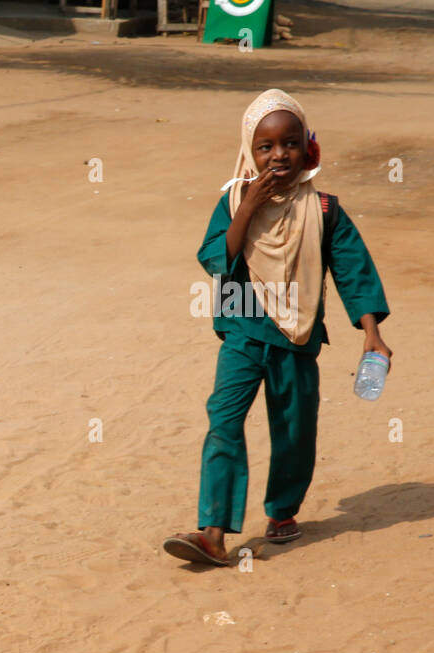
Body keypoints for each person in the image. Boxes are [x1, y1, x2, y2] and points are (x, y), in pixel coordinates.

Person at [164, 89, 392, 567]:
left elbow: (352, 270)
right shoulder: (232, 203)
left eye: (288, 143)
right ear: (250, 150)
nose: (277, 155)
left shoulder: (325, 210)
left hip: (299, 336)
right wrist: (248, 206)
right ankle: (213, 533)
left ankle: (283, 511)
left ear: (306, 147)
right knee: (223, 422)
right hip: (244, 330)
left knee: (294, 430)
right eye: (265, 146)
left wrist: (371, 332)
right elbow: (215, 260)